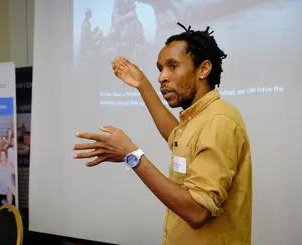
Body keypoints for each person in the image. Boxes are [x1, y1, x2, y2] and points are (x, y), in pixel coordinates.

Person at [72, 23, 252, 244]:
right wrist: (142, 84)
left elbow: (197, 212)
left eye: (173, 66)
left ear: (203, 70)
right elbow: (175, 136)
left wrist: (132, 156)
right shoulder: (199, 118)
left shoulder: (218, 121)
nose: (162, 77)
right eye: (160, 69)